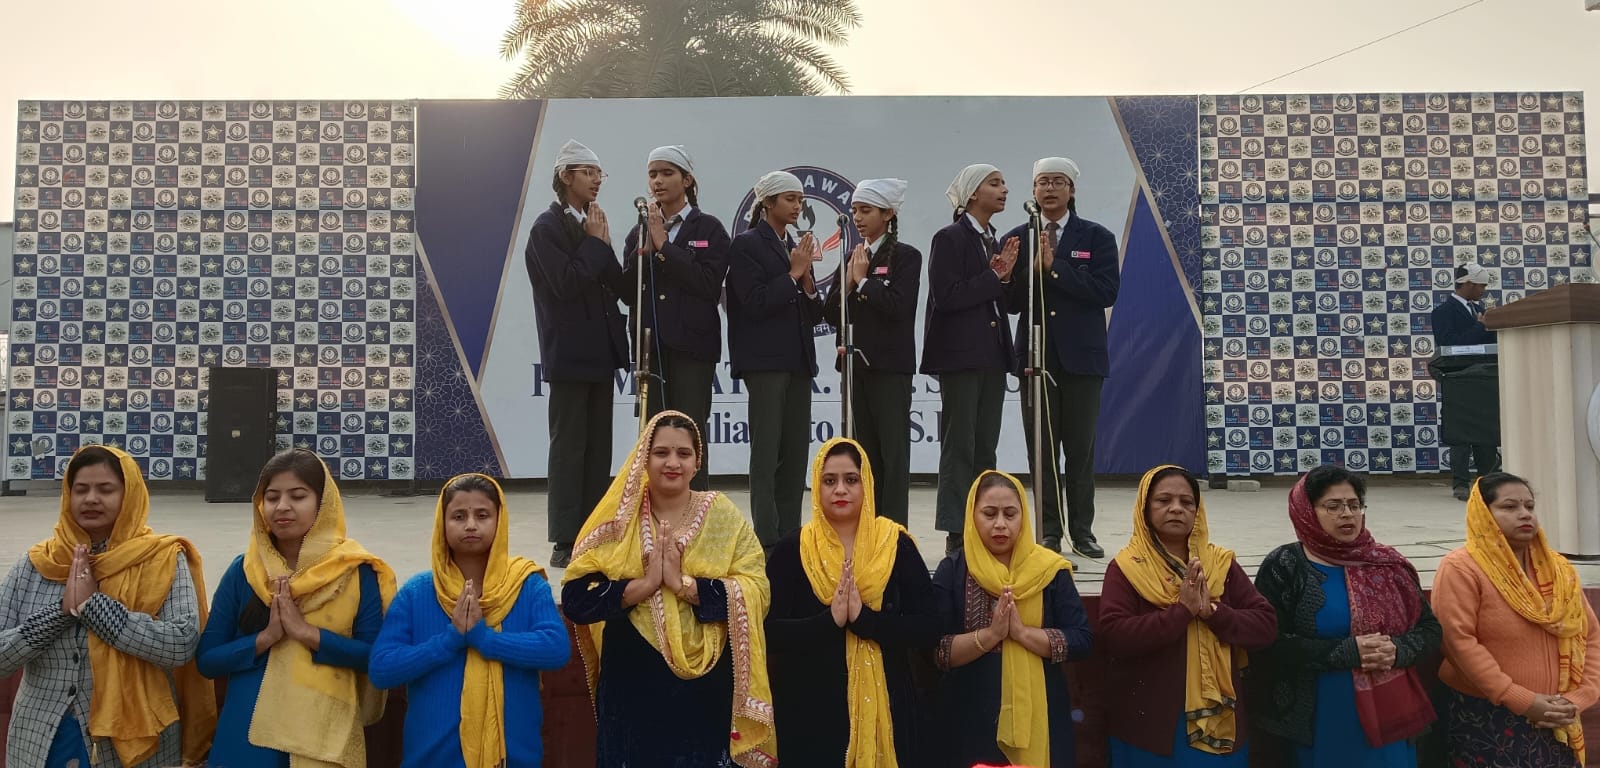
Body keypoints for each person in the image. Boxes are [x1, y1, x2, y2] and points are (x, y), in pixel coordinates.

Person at [561, 411, 775, 767]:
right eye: (661, 453)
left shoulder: (722, 516)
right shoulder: (618, 521)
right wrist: (643, 585)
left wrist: (684, 586)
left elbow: (757, 590)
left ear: (697, 462)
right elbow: (576, 600)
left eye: (683, 454)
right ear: (644, 459)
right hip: (631, 686)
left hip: (704, 692)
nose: (673, 463)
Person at [0, 445, 215, 768]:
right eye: (81, 489)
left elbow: (181, 643)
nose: (91, 499)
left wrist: (95, 606)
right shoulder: (36, 563)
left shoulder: (162, 559)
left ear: (130, 495)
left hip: (139, 743)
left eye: (105, 489)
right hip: (40, 737)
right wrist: (60, 612)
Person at [198, 448, 397, 768]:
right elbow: (207, 660)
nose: (282, 506)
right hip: (248, 739)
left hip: (323, 737)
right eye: (272, 497)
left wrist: (307, 634)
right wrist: (266, 638)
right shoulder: (246, 571)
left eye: (298, 496)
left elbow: (375, 657)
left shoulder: (355, 572)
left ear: (324, 503)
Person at [369, 474, 572, 768]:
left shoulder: (526, 586)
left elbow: (555, 649)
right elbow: (382, 669)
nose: (471, 525)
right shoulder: (418, 592)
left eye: (483, 515)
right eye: (459, 516)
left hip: (511, 758)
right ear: (442, 523)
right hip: (432, 759)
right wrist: (449, 640)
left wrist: (483, 638)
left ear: (500, 520)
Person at [1251, 465, 1440, 768]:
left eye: (1354, 505)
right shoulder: (1285, 565)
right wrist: (1347, 652)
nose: (1347, 514)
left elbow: (1429, 629)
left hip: (1391, 713)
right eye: (1333, 506)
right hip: (1320, 716)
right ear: (1306, 511)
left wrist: (1397, 649)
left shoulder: (1387, 564)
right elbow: (1268, 641)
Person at [765, 437, 939, 765]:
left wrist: (867, 622)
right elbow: (768, 633)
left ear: (866, 483)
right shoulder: (793, 549)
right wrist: (828, 622)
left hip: (890, 711)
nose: (840, 490)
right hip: (809, 718)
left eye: (851, 480)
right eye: (830, 481)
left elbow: (929, 627)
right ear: (816, 487)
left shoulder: (894, 545)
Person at [1099, 465, 1277, 766]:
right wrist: (1181, 612)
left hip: (1221, 722)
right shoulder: (1127, 567)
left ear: (1198, 510)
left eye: (1187, 502)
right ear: (1144, 508)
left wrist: (1212, 612)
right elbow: (1115, 637)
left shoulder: (1219, 564)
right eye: (1163, 500)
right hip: (1150, 725)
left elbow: (1265, 626)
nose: (1176, 509)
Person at [1433, 472, 1600, 767]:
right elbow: (1458, 642)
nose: (1524, 514)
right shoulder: (1462, 568)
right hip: (1488, 715)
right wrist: (1520, 699)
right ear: (1483, 514)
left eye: (1529, 506)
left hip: (1557, 716)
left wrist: (1580, 697)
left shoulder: (1560, 570)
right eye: (1509, 507)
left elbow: (1590, 635)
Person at [932, 470, 1090, 767]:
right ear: (972, 516)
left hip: (1042, 717)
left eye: (1010, 514)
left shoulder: (1050, 571)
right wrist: (990, 635)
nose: (1000, 524)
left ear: (1023, 517)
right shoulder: (952, 570)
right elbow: (935, 650)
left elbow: (1081, 640)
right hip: (969, 718)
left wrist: (1023, 634)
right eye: (989, 514)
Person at [1004, 157, 1120, 558]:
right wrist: (1013, 274)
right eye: (1042, 182)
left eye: (1058, 182)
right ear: (1033, 190)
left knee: (1080, 450)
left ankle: (1082, 532)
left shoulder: (1097, 237)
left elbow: (1106, 291)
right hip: (1036, 359)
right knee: (1042, 451)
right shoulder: (1018, 237)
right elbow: (1011, 304)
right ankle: (1049, 531)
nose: (1049, 189)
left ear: (1071, 190)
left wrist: (1056, 269)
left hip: (1083, 362)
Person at [525, 138, 631, 567]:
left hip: (600, 354)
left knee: (598, 448)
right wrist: (595, 245)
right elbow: (566, 283)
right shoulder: (546, 228)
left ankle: (595, 530)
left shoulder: (593, 225)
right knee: (569, 448)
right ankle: (566, 538)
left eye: (599, 173)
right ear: (566, 176)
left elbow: (619, 286)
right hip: (569, 355)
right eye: (588, 172)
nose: (596, 180)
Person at [622, 145, 732, 490]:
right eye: (652, 174)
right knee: (654, 434)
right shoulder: (639, 230)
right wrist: (643, 251)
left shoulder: (709, 228)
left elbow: (708, 285)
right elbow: (627, 291)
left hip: (692, 348)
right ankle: (653, 511)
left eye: (667, 173)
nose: (658, 181)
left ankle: (695, 510)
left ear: (687, 180)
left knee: (689, 431)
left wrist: (665, 248)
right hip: (651, 347)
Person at [726, 170, 825, 548]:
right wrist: (793, 274)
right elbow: (753, 302)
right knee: (767, 452)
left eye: (800, 200)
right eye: (790, 199)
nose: (797, 206)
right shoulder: (746, 245)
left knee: (795, 452)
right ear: (767, 203)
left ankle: (789, 536)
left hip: (798, 361)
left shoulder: (794, 245)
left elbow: (811, 314)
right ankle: (766, 537)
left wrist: (809, 286)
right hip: (765, 362)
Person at [923, 164, 1019, 555]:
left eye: (1003, 183)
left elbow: (1000, 301)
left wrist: (1007, 279)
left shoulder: (994, 239)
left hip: (991, 356)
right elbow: (946, 296)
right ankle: (955, 529)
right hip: (961, 357)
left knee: (985, 447)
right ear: (972, 193)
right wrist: (994, 278)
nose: (1004, 189)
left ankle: (984, 522)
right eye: (994, 183)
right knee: (959, 445)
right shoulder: (950, 238)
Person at [821, 179, 922, 527]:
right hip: (856, 366)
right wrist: (850, 281)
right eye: (855, 211)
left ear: (888, 213)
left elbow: (898, 306)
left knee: (893, 454)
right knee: (864, 453)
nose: (858, 218)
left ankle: (894, 531)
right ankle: (868, 528)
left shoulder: (907, 256)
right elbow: (831, 313)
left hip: (890, 368)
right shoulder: (853, 256)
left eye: (866, 210)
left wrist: (864, 282)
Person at [1429, 262, 1500, 502]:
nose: (1483, 291)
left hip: (1483, 378)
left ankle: (1487, 481)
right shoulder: (1443, 312)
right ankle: (1460, 483)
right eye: (1481, 286)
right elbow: (1449, 343)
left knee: (1485, 430)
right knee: (1460, 433)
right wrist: (1480, 327)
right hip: (1458, 379)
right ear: (1468, 284)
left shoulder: (1479, 309)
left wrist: (1491, 326)